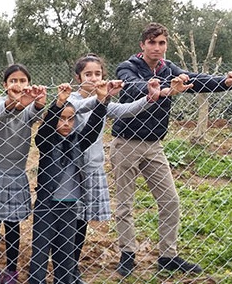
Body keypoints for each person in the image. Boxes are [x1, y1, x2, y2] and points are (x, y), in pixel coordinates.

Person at [111, 22, 232, 277]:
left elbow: (194, 80)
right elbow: (133, 87)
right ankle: (128, 254)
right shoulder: (127, 67)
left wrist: (224, 81)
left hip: (154, 145)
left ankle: (168, 256)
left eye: (162, 43)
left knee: (170, 201)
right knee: (125, 204)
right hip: (126, 144)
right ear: (142, 45)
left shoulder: (169, 68)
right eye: (152, 43)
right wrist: (164, 90)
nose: (157, 48)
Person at [68, 54, 160, 282]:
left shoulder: (104, 101)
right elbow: (78, 107)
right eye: (88, 74)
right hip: (70, 171)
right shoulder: (70, 99)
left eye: (97, 74)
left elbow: (123, 110)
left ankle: (73, 265)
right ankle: (65, 264)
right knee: (68, 221)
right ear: (78, 77)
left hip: (93, 168)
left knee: (82, 222)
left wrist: (149, 98)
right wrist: (102, 98)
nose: (93, 78)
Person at [29, 81, 109, 284]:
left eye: (70, 119)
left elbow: (92, 129)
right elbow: (46, 130)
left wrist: (101, 101)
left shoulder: (77, 142)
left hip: (70, 206)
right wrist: (59, 103)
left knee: (65, 252)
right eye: (61, 119)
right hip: (46, 206)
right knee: (40, 251)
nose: (65, 123)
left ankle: (64, 280)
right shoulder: (46, 143)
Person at [0, 64, 47, 284]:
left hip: (16, 171)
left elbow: (36, 113)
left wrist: (38, 102)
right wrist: (14, 103)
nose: (18, 84)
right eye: (13, 81)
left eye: (22, 81)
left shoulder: (28, 108)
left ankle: (10, 269)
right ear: (5, 85)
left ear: (28, 84)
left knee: (12, 223)